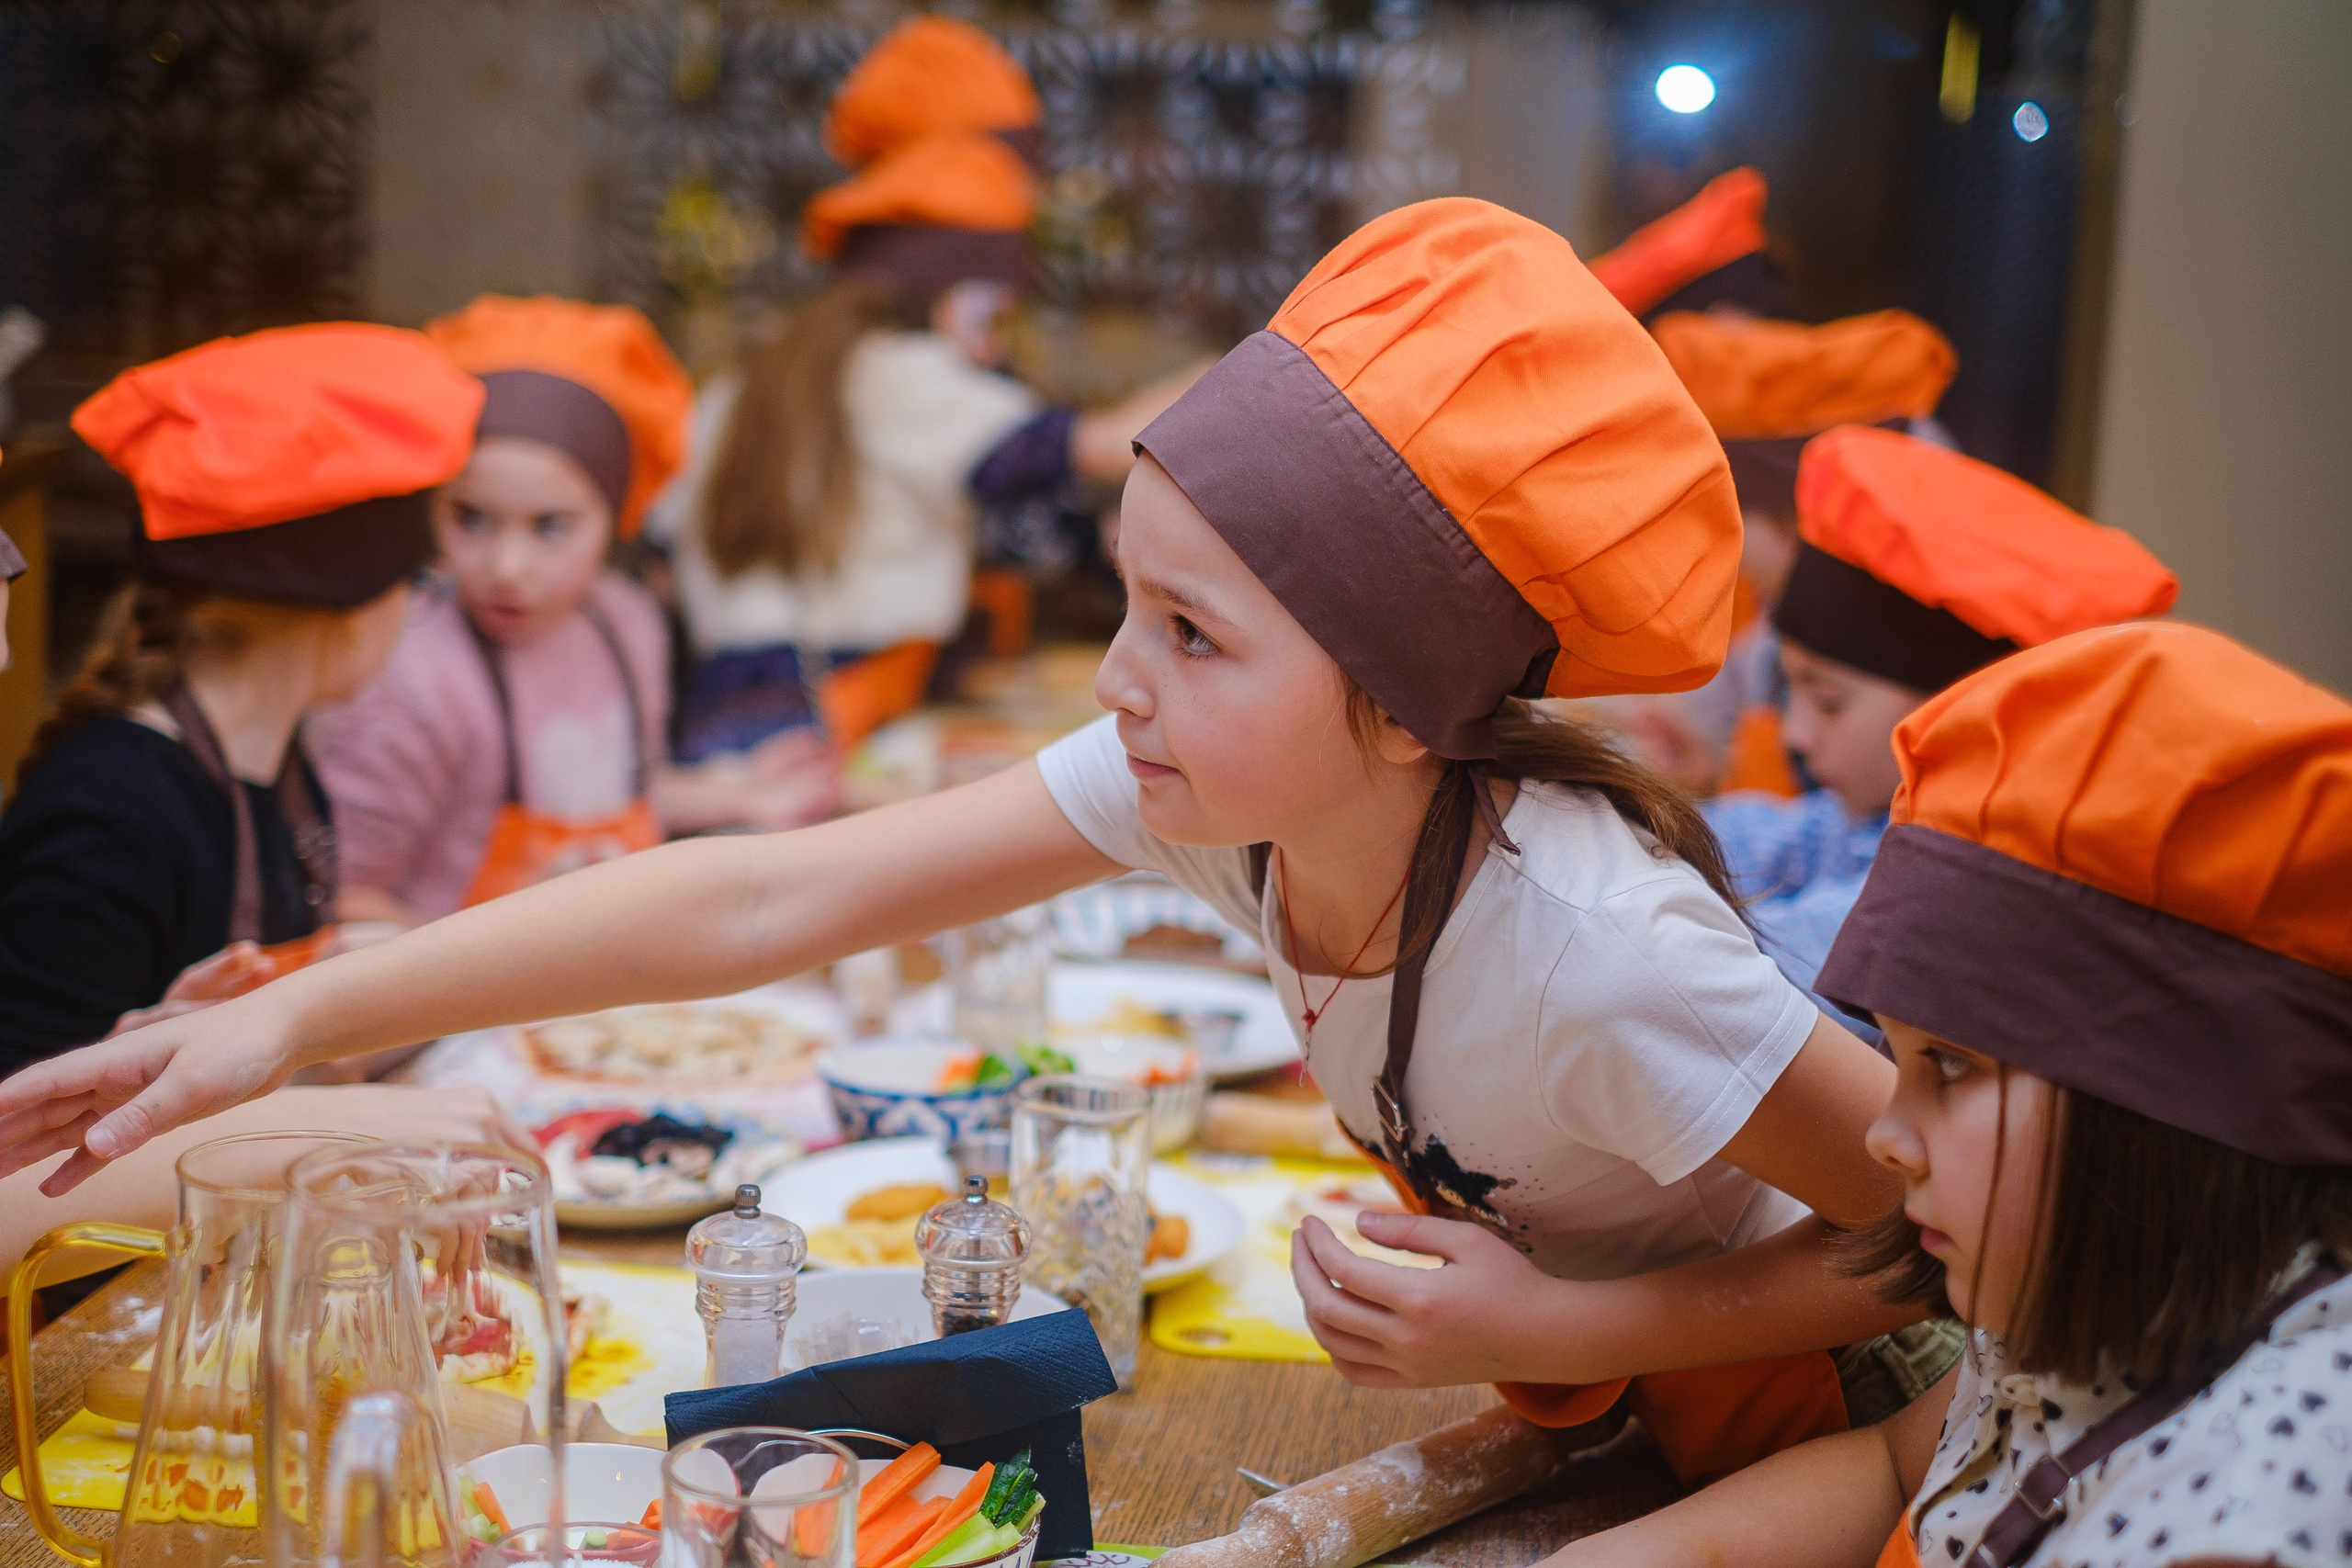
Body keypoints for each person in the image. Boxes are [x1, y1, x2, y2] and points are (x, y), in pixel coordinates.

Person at [4, 200, 1945, 1488]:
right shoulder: (1252, 809)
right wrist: (294, 1017)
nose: (1116, 681)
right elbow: (771, 890)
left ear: (1400, 704)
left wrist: (1564, 1318)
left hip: (1822, 1447)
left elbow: (1938, 1243)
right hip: (1611, 1428)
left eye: (1191, 636)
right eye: (1126, 603)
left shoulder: (1593, 942)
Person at [1546, 621, 2352, 1567]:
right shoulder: (2077, 1276)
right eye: (1898, 1058)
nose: (1887, 1137)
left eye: (1951, 1066)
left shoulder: (2250, 1509)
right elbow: (1896, 1466)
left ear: (2160, 1102)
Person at [644, 18, 1197, 758]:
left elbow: (660, 557)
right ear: (933, 294)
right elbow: (1091, 448)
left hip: (721, 712)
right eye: (988, 315)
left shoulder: (757, 373)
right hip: (822, 720)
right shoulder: (903, 374)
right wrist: (1263, 365)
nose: (995, 343)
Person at [0, 324, 480, 1071]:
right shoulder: (113, 814)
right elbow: (18, 1140)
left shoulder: (275, 758)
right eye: (417, 585)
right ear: (348, 605)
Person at [305, 296, 839, 929]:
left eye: (551, 526)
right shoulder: (406, 676)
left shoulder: (626, 622)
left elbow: (620, 794)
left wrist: (740, 795)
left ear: (614, 520)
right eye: (470, 518)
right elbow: (345, 898)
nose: (508, 566)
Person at [1699, 425, 2177, 1023]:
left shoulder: (1966, 879)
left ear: (1961, 716)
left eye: (1828, 702)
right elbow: (1757, 838)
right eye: (1788, 690)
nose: (1794, 734)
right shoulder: (1868, 819)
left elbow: (1726, 983)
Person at [1604, 306, 1960, 797]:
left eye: (1719, 518)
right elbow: (1715, 719)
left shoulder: (1878, 637)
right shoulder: (1771, 625)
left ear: (1795, 520)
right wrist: (1694, 756)